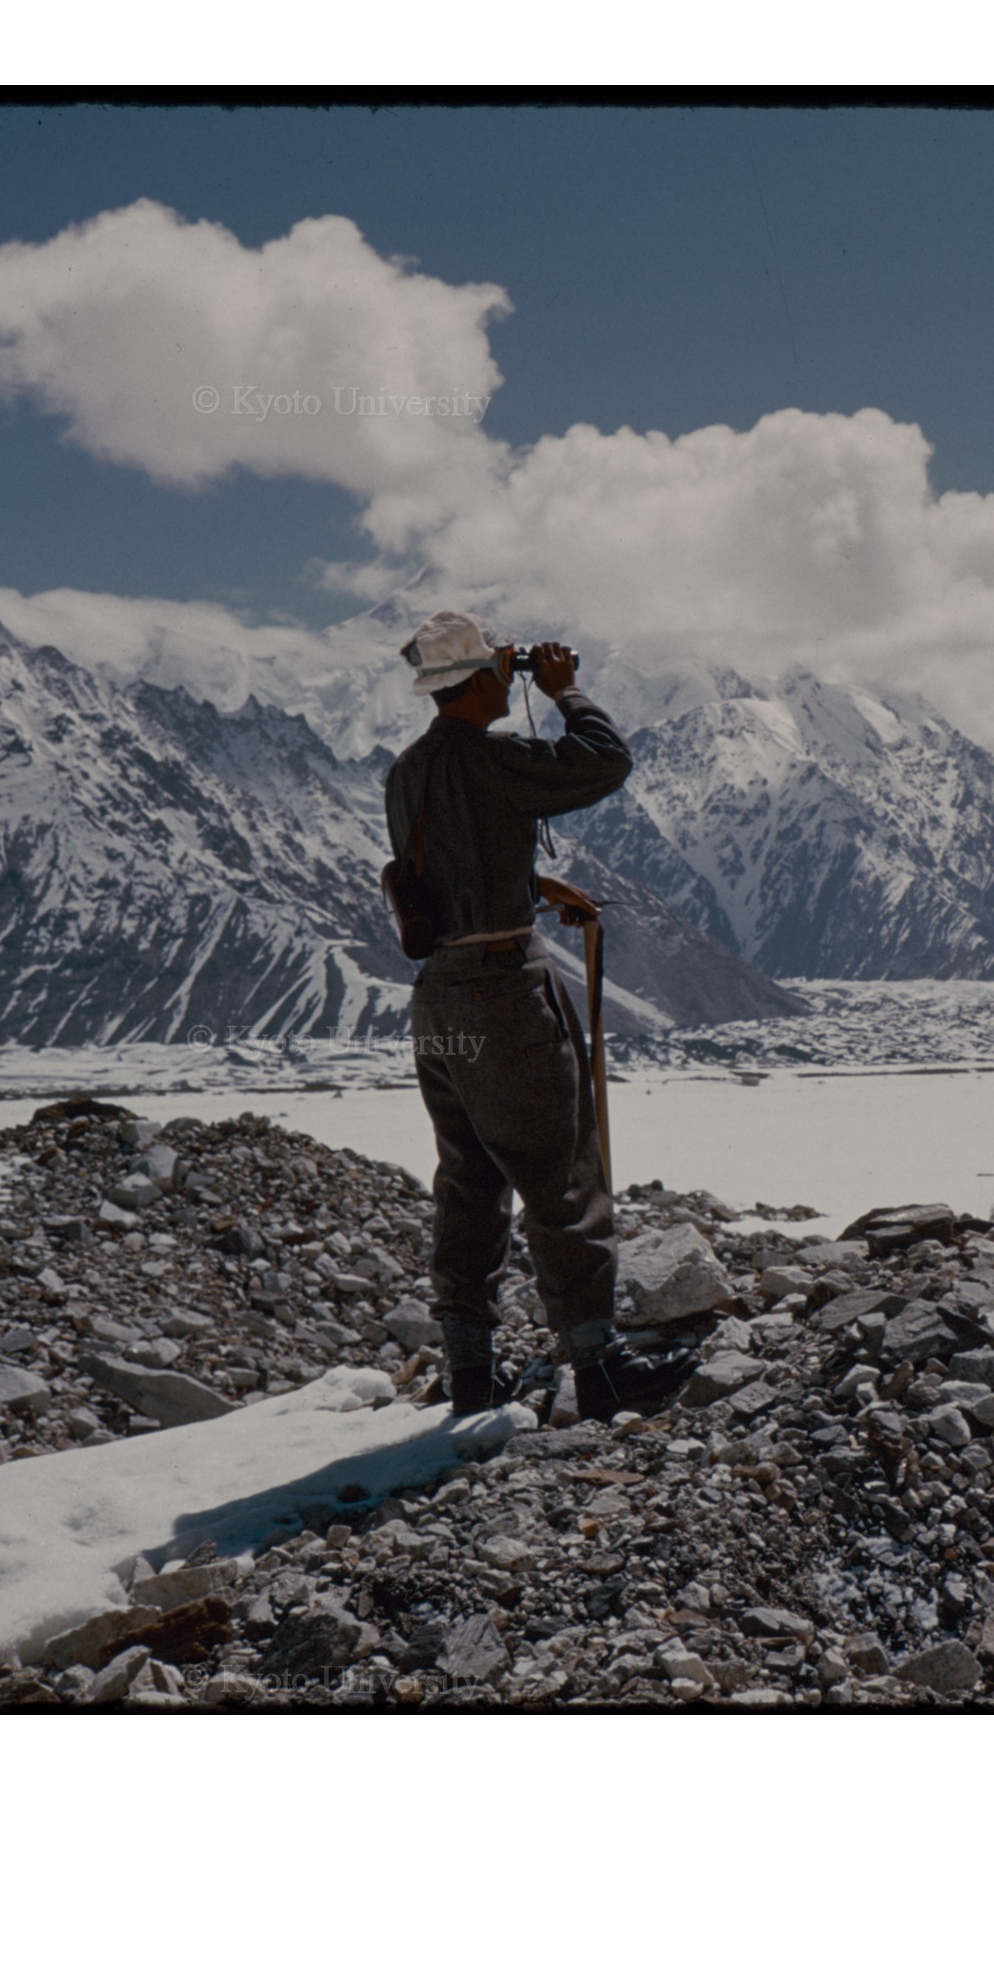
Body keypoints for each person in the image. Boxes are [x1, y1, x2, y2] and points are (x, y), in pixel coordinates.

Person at [386, 609, 698, 1421]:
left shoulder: (408, 770)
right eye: (503, 667)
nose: (510, 677)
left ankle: (469, 1372)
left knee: (470, 1179)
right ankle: (599, 1370)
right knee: (560, 1169)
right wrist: (567, 692)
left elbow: (451, 863)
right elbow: (605, 762)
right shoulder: (492, 758)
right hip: (503, 997)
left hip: (441, 1000)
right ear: (482, 680)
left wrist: (531, 886)